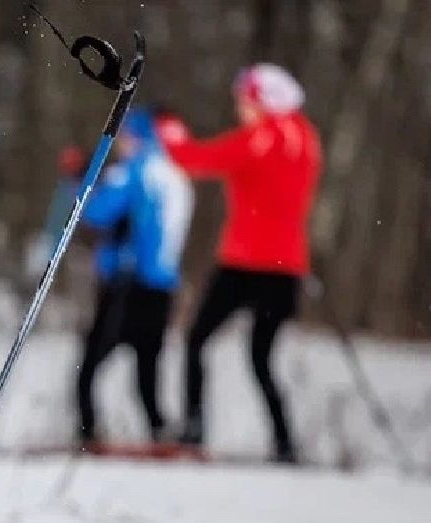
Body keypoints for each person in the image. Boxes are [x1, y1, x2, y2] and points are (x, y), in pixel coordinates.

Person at [159, 64, 323, 463]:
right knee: (261, 359)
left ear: (261, 99)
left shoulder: (263, 137)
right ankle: (285, 442)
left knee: (197, 338)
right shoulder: (305, 137)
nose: (240, 109)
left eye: (244, 100)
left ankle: (194, 428)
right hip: (288, 269)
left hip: (246, 264)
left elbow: (196, 159)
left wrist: (169, 131)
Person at [75, 107, 195, 447]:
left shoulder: (133, 172)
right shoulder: (174, 174)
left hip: (127, 284)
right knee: (147, 367)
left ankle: (88, 431)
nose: (121, 144)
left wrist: (79, 177)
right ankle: (159, 431)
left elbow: (96, 211)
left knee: (90, 364)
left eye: (125, 136)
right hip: (162, 285)